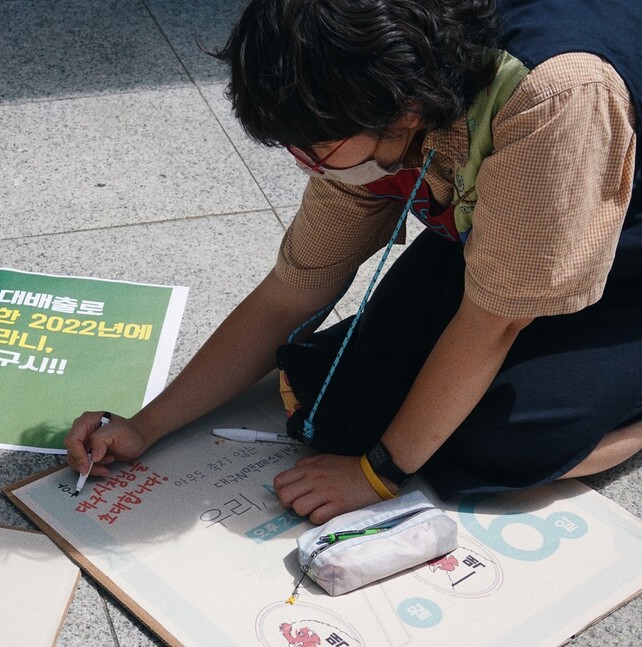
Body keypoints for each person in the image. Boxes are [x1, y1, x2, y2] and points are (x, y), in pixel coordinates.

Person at [64, 0, 642, 524]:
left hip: (623, 248)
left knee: (500, 444)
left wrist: (378, 475)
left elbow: (496, 319)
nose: (305, 162)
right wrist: (146, 424)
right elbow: (293, 291)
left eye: (317, 147)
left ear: (409, 111)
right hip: (512, 226)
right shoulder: (369, 99)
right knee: (340, 408)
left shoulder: (554, 94)